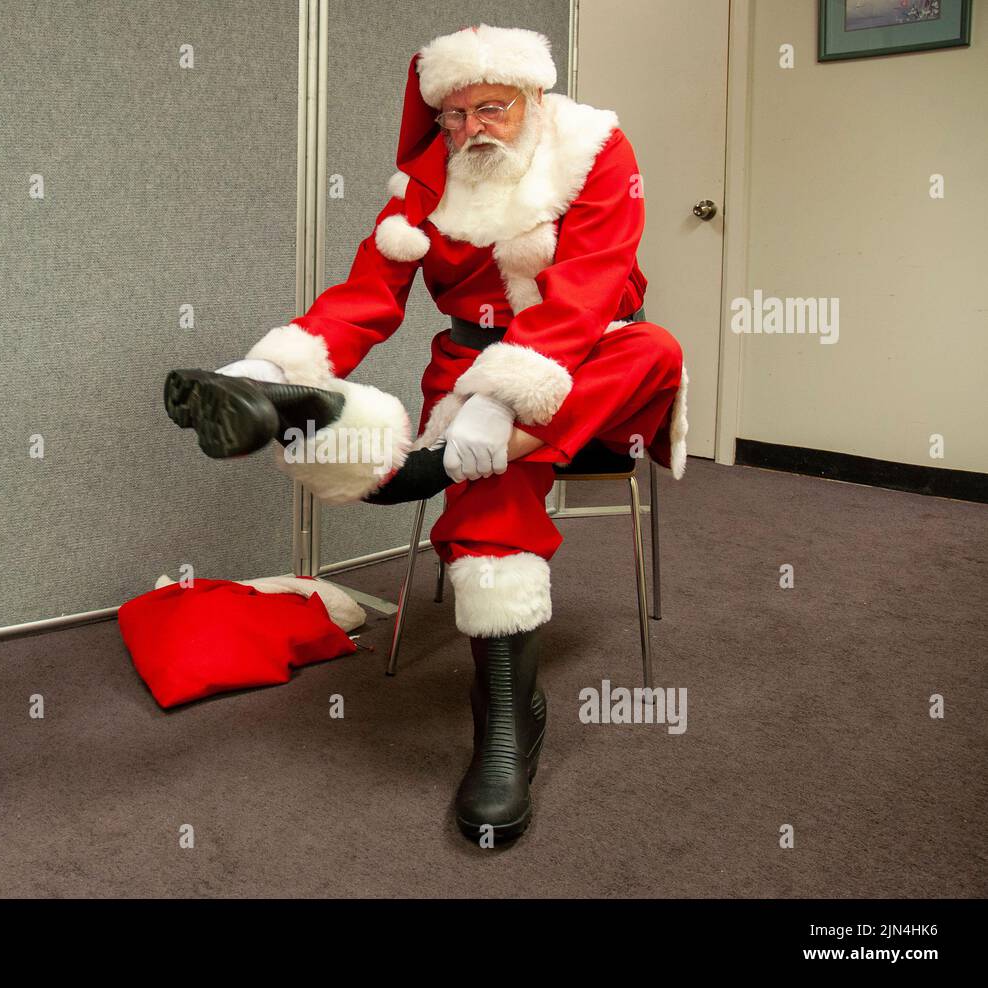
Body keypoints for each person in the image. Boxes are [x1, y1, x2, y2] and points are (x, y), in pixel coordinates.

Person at [165, 24, 688, 843]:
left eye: (494, 108)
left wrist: (506, 400)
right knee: (493, 484)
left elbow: (587, 292)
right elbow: (367, 296)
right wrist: (270, 367)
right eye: (455, 113)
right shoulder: (421, 186)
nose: (474, 127)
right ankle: (509, 723)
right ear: (438, 117)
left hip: (592, 363)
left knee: (656, 349)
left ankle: (418, 468)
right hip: (465, 366)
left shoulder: (595, 151)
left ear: (532, 99)